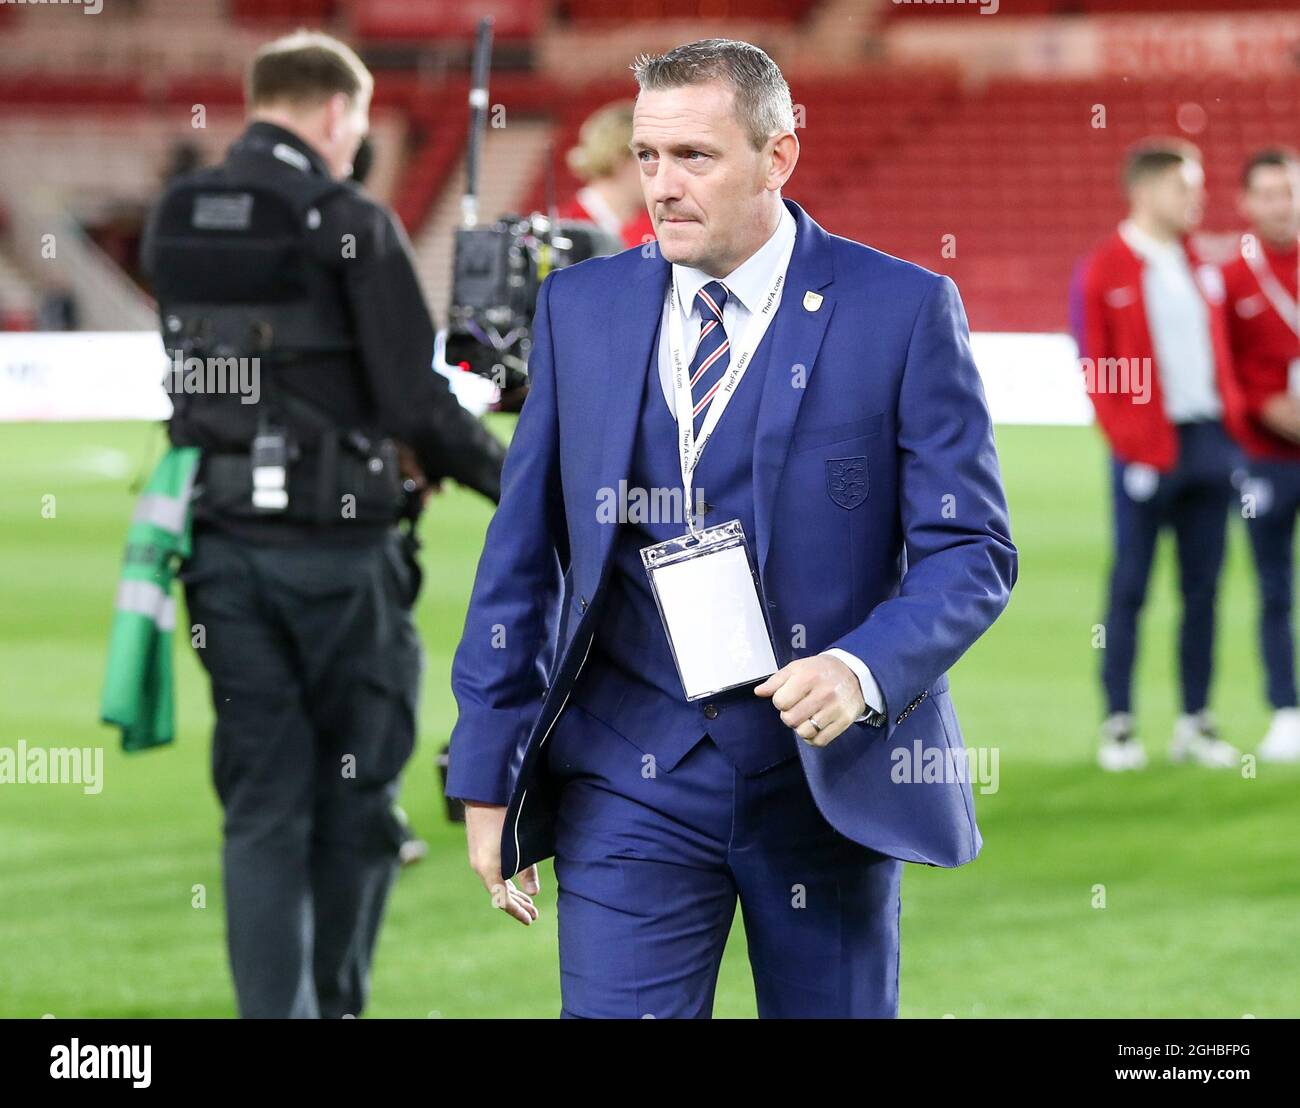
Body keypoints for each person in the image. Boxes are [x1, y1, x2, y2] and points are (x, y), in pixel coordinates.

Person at [446, 38, 1016, 1018]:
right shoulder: (577, 308)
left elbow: (970, 549)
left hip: (822, 782)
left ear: (778, 155)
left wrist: (862, 668)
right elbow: (519, 557)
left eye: (694, 157)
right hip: (628, 771)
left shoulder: (902, 310)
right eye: (647, 155)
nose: (661, 185)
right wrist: (486, 767)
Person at [141, 30, 505, 1018]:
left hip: (220, 550)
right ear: (339, 114)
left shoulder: (176, 213)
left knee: (262, 807)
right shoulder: (347, 217)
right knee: (354, 799)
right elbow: (414, 403)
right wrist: (518, 485)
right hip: (339, 558)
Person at [1071, 141, 1247, 773]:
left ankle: (1195, 722)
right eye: (1184, 187)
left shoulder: (1201, 263)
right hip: (1148, 450)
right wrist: (1131, 445)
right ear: (1144, 193)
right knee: (1131, 589)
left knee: (1203, 590)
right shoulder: (1106, 269)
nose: (1197, 198)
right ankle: (1119, 725)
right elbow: (1098, 368)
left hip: (1208, 442)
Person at [1222, 148, 1300, 763]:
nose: (1283, 203)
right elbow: (1225, 370)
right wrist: (1264, 407)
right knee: (1273, 588)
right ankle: (1285, 712)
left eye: (1291, 191)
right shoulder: (1231, 278)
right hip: (1263, 458)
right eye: (1270, 193)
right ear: (1248, 202)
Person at [556, 100, 655, 248]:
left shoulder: (653, 228)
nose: (658, 169)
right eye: (646, 157)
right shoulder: (563, 231)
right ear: (620, 161)